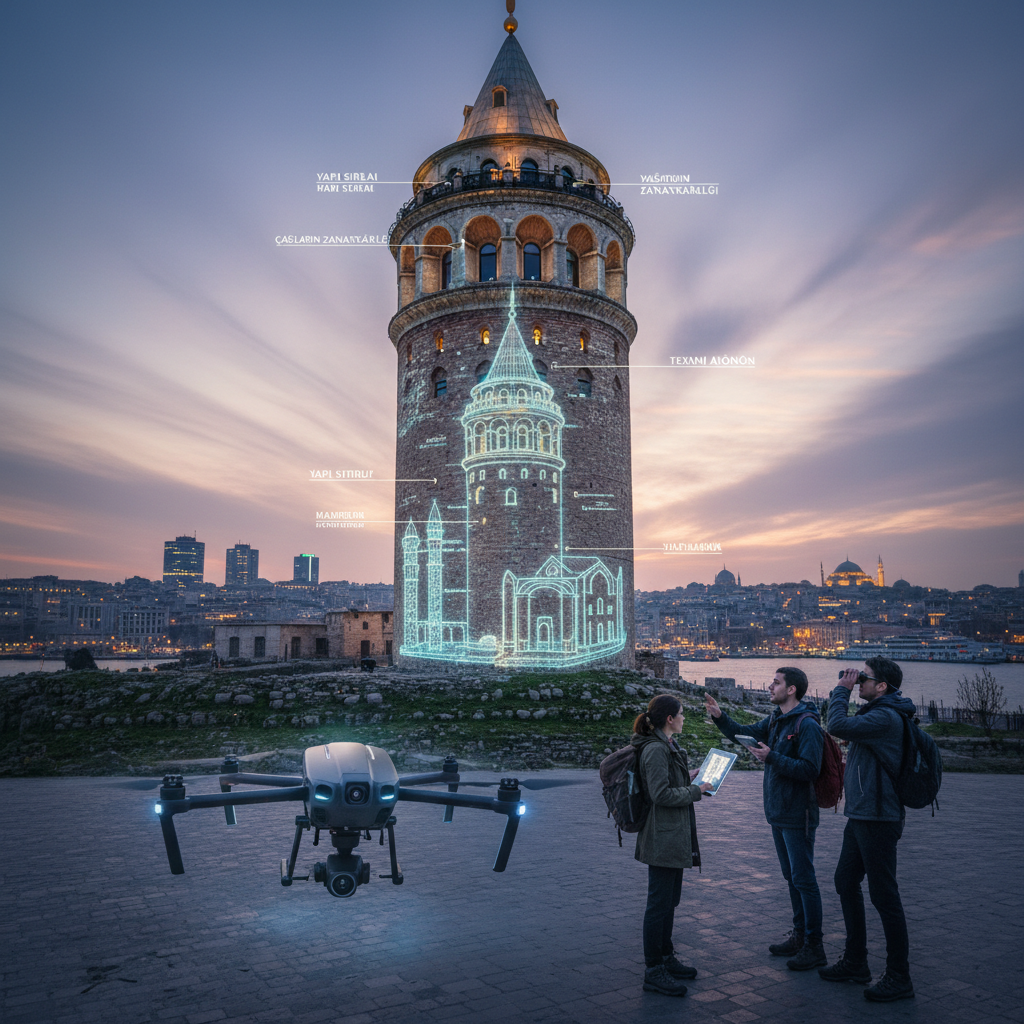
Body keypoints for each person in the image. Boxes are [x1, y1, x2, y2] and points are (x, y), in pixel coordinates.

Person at [705, 667, 827, 971]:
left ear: (792, 690)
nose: (769, 686)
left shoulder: (806, 724)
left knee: (804, 879)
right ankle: (799, 935)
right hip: (778, 812)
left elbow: (811, 769)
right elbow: (744, 733)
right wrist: (720, 717)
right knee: (792, 877)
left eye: (776, 683)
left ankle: (815, 945)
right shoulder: (775, 718)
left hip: (799, 814)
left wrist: (771, 757)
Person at [820, 658, 916, 1002]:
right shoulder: (877, 713)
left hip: (878, 817)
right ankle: (856, 961)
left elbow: (836, 724)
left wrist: (841, 690)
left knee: (884, 895)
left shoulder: (885, 716)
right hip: (862, 815)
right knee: (845, 881)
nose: (858, 681)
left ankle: (899, 976)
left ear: (882, 687)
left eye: (865, 678)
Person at [631, 694, 713, 997]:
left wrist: (688, 778)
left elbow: (666, 782)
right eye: (680, 714)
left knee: (669, 902)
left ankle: (666, 957)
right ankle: (654, 969)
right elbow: (660, 795)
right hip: (662, 836)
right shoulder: (655, 749)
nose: (683, 718)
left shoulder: (666, 745)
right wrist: (695, 790)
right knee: (658, 904)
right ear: (669, 719)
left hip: (673, 835)